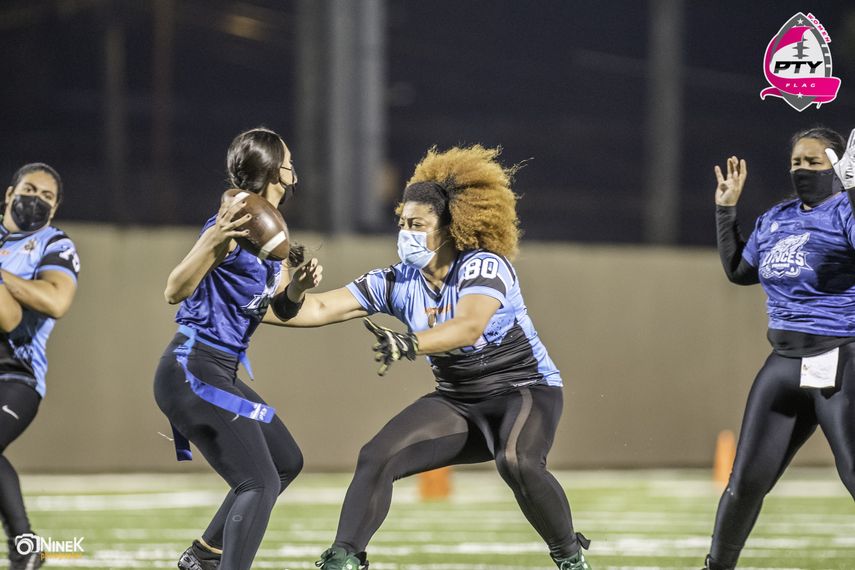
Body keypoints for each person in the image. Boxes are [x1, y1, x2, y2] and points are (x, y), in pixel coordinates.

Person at [268, 145, 592, 570]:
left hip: (524, 390)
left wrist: (411, 343)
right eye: (402, 222)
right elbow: (317, 310)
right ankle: (344, 558)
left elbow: (470, 326)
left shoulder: (484, 266)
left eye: (417, 224)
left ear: (449, 227)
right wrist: (271, 295)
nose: (405, 233)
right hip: (460, 401)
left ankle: (569, 557)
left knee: (516, 461)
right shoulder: (396, 281)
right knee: (376, 455)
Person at [154, 127, 317, 570]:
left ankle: (203, 557)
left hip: (220, 371)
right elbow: (174, 290)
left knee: (285, 462)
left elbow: (281, 308)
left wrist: (298, 286)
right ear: (271, 168)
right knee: (258, 481)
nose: (292, 165)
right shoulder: (234, 221)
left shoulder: (271, 229)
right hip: (192, 367)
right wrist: (213, 238)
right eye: (286, 158)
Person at [704, 126, 855, 570]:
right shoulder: (777, 217)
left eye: (814, 162)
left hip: (838, 356)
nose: (803, 170)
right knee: (745, 482)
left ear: (839, 167)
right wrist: (725, 210)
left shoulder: (844, 210)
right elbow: (738, 270)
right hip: (784, 362)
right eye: (796, 162)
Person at [0, 163, 80, 570]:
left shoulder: (54, 244)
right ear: (9, 193)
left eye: (47, 197)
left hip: (16, 372)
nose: (36, 200)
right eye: (30, 189)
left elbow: (55, 301)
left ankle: (25, 548)